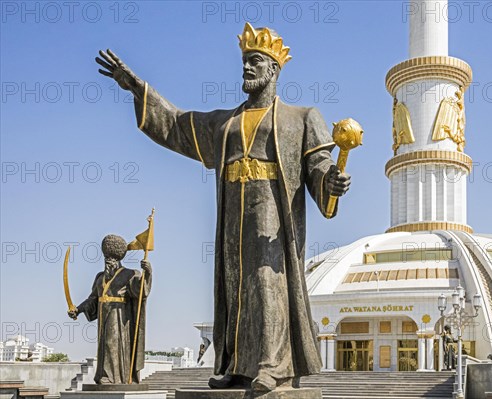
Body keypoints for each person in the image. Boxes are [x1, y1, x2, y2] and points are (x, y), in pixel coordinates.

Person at [95, 23, 351, 392]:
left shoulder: (302, 118)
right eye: (245, 61)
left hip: (272, 221)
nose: (247, 68)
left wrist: (332, 182)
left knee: (267, 286)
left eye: (256, 61)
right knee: (234, 288)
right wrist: (137, 88)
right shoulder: (225, 122)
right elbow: (178, 125)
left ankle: (272, 367)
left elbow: (320, 171)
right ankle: (237, 365)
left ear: (274, 70)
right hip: (233, 218)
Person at [68, 234, 152, 384]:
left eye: (112, 259)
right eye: (107, 258)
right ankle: (103, 376)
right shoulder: (100, 277)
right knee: (104, 347)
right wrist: (78, 310)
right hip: (103, 314)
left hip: (119, 316)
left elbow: (141, 292)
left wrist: (148, 273)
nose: (109, 261)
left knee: (112, 343)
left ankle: (113, 378)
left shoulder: (129, 274)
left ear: (118, 259)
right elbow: (92, 298)